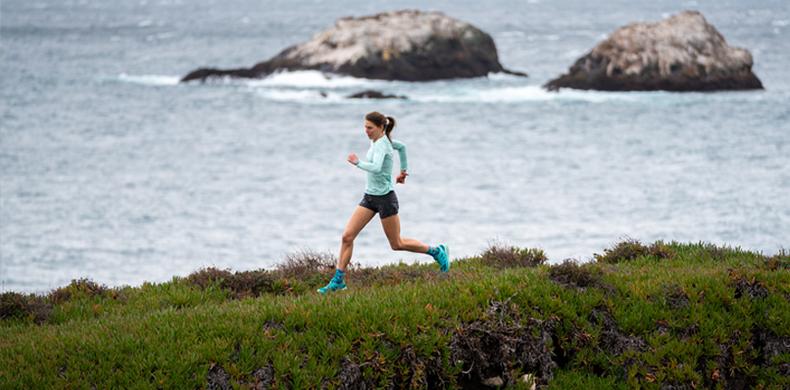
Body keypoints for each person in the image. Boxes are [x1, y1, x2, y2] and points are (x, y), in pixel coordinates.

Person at [318, 112, 449, 294]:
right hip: (369, 197)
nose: (366, 131)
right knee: (347, 236)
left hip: (385, 199)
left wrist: (357, 162)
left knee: (397, 244)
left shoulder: (382, 145)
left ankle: (436, 252)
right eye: (365, 127)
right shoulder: (379, 141)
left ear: (380, 127)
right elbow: (401, 147)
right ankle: (338, 281)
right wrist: (403, 171)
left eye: (370, 128)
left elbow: (377, 167)